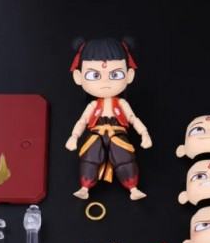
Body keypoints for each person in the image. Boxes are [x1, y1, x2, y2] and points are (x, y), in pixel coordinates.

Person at [65, 36, 152, 200]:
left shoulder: (122, 103)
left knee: (124, 158)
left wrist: (144, 133)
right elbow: (82, 121)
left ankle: (133, 188)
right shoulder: (93, 106)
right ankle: (84, 187)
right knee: (89, 158)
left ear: (129, 75)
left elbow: (133, 118)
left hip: (118, 134)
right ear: (78, 77)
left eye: (115, 74)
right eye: (94, 75)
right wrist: (74, 136)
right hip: (96, 134)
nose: (105, 81)